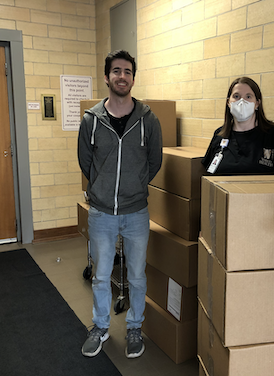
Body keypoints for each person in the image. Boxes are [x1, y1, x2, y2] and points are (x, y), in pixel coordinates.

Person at [78, 50, 162, 359]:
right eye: (116, 71)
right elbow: (85, 161)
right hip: (101, 212)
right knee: (101, 275)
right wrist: (100, 189)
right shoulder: (92, 119)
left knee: (137, 276)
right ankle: (100, 328)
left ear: (133, 78)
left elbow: (155, 160)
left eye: (127, 71)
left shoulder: (148, 120)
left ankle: (134, 327)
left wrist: (136, 186)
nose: (121, 76)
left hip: (136, 211)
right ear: (107, 77)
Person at [202, 77, 274, 174]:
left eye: (248, 97)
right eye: (236, 96)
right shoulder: (220, 134)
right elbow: (208, 173)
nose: (241, 102)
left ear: (257, 103)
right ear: (229, 102)